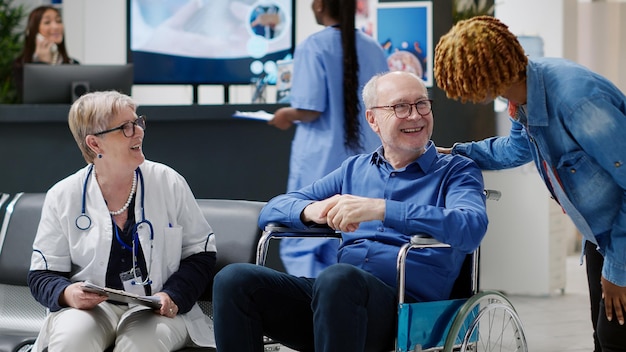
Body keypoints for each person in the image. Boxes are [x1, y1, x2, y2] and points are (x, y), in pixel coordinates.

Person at [212, 71, 488, 351]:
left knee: (338, 278)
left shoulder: (457, 170)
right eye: (400, 107)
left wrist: (382, 209)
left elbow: (471, 226)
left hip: (405, 312)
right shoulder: (354, 169)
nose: (415, 116)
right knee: (234, 280)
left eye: (422, 104)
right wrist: (312, 209)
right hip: (333, 301)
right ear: (373, 120)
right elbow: (272, 210)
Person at [434, 16, 626, 352]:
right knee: (604, 339)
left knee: (615, 340)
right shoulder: (525, 93)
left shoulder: (575, 101)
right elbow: (516, 149)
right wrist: (458, 152)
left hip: (621, 238)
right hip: (602, 236)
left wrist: (620, 270)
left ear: (483, 80)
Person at [27, 91, 217, 352]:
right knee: (72, 340)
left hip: (155, 310)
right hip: (93, 310)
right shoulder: (63, 195)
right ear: (95, 144)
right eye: (126, 127)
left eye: (138, 122)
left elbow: (201, 254)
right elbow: (42, 274)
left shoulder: (168, 181)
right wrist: (68, 293)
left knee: (141, 345)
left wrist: (173, 295)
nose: (138, 131)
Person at [269, 0, 388, 278]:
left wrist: (286, 114)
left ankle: (316, 312)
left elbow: (310, 109)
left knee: (305, 240)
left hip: (320, 165)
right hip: (368, 166)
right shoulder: (373, 47)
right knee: (360, 241)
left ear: (320, 5)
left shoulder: (313, 46)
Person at [13, 6, 79, 102]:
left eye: (59, 21)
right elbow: (31, 101)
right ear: (33, 31)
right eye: (47, 22)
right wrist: (43, 63)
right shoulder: (20, 65)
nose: (56, 26)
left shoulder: (73, 64)